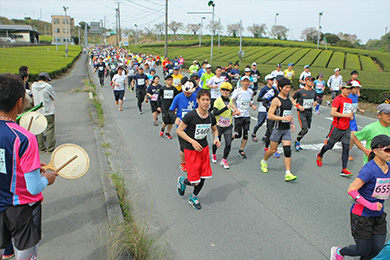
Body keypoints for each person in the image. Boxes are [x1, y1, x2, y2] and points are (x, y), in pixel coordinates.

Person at [0, 73, 58, 260]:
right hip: (22, 208)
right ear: (19, 102)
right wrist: (46, 179)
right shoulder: (25, 137)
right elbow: (33, 187)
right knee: (26, 256)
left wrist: (31, 166)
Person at [330, 135, 390, 260]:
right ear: (375, 150)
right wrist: (370, 205)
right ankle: (339, 252)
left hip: (378, 215)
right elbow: (351, 190)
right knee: (363, 250)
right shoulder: (369, 169)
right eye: (387, 150)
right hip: (362, 215)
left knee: (377, 249)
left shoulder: (389, 167)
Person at [176, 89, 220, 210]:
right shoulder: (190, 116)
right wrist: (192, 141)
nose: (206, 102)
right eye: (203, 100)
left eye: (208, 100)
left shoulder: (211, 117)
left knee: (204, 176)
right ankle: (183, 181)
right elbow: (179, 131)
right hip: (191, 150)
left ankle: (194, 196)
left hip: (204, 149)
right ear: (198, 100)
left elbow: (215, 129)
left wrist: (216, 138)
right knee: (195, 181)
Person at [260, 78, 297, 182]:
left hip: (286, 129)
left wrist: (292, 123)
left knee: (287, 150)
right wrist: (283, 119)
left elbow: (288, 114)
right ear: (280, 88)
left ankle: (288, 173)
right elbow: (270, 115)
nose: (288, 89)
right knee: (272, 150)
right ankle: (264, 161)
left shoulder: (288, 99)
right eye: (286, 88)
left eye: (289, 87)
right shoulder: (276, 100)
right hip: (277, 129)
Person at [316, 82, 354, 177]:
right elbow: (333, 113)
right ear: (342, 89)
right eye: (346, 89)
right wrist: (346, 115)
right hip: (337, 127)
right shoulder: (338, 99)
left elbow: (350, 112)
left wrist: (351, 116)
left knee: (346, 148)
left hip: (346, 128)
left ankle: (344, 169)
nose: (348, 91)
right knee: (329, 146)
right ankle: (320, 154)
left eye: (350, 89)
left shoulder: (349, 100)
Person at [170, 77, 198, 172]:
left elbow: (200, 109)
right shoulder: (178, 97)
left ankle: (192, 161)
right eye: (186, 92)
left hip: (193, 126)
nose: (187, 94)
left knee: (193, 145)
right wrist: (175, 118)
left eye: (189, 93)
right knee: (183, 147)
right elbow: (170, 111)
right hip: (181, 127)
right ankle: (183, 163)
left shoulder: (195, 97)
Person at [231, 76, 257, 158]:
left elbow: (249, 100)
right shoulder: (237, 91)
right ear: (241, 82)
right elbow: (231, 101)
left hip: (246, 116)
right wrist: (235, 110)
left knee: (245, 134)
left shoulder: (250, 91)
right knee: (238, 134)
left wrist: (252, 105)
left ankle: (241, 150)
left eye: (247, 81)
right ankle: (231, 137)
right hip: (239, 116)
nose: (246, 83)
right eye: (244, 81)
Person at [31, 72, 56, 154]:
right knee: (50, 129)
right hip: (48, 111)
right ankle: (50, 148)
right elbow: (54, 97)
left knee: (39, 129)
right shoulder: (48, 87)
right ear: (45, 79)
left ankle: (41, 148)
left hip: (38, 111)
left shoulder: (33, 86)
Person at [212, 82, 234, 169]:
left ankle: (224, 160)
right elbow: (215, 113)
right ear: (221, 90)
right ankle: (214, 154)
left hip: (228, 125)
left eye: (227, 90)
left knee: (228, 143)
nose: (225, 92)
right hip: (219, 126)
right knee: (217, 143)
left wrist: (233, 112)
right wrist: (226, 107)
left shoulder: (231, 100)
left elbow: (230, 110)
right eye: (223, 90)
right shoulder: (218, 101)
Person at [292, 76, 317, 151]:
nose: (311, 82)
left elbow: (315, 100)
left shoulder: (313, 92)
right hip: (302, 112)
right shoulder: (300, 91)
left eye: (312, 81)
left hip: (309, 111)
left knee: (307, 128)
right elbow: (292, 99)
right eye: (309, 81)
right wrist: (298, 106)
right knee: (304, 128)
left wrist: (315, 103)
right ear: (305, 82)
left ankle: (297, 140)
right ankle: (297, 141)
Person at [251, 75, 274, 142]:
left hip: (270, 109)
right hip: (263, 109)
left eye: (273, 80)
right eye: (271, 80)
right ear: (267, 81)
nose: (272, 81)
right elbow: (258, 99)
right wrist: (266, 100)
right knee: (260, 122)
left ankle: (266, 136)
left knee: (270, 124)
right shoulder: (264, 89)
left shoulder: (273, 89)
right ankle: (254, 133)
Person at [158, 75, 180, 139]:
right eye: (169, 80)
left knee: (171, 122)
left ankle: (167, 133)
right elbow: (159, 98)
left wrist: (177, 106)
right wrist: (159, 106)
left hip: (172, 108)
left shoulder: (174, 89)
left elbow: (176, 98)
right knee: (166, 121)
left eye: (171, 80)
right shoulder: (162, 89)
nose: (170, 81)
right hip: (164, 107)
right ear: (166, 81)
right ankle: (162, 128)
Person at [348, 81, 365, 161]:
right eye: (356, 88)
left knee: (353, 136)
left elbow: (355, 106)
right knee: (338, 134)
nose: (357, 90)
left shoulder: (356, 96)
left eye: (358, 88)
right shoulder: (348, 96)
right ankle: (328, 139)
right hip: (346, 118)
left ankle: (346, 153)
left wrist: (359, 109)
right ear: (351, 88)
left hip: (352, 119)